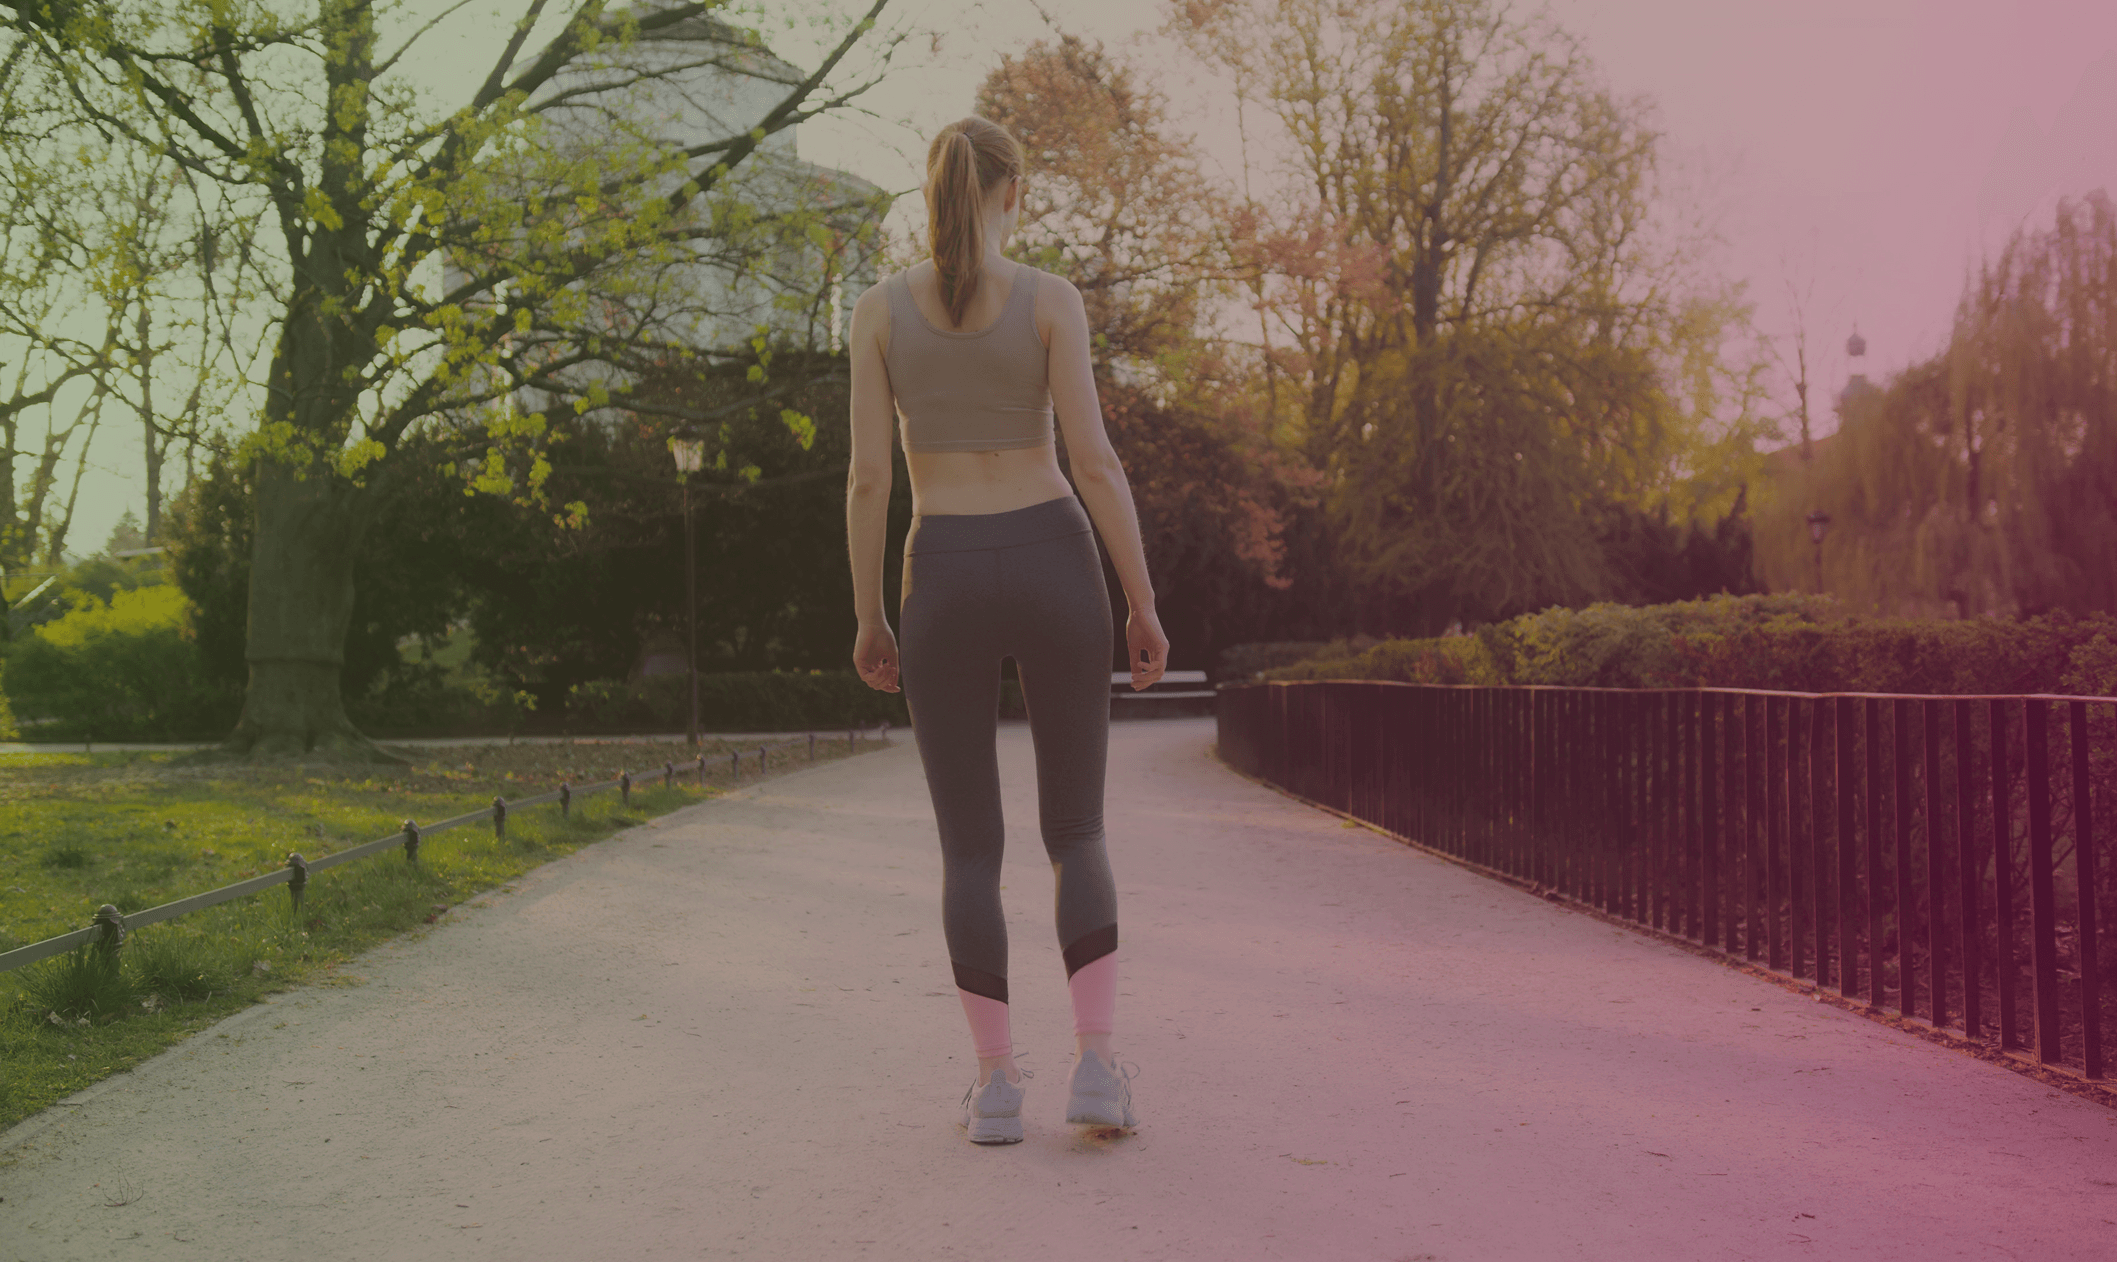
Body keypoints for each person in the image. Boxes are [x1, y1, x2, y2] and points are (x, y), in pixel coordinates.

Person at [844, 115, 1169, 1145]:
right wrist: (1141, 599)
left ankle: (993, 1087)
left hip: (939, 568)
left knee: (968, 850)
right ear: (1012, 192)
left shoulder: (877, 312)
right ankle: (1096, 1067)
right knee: (1075, 829)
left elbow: (866, 477)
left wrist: (868, 611)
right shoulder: (1048, 302)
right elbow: (1096, 461)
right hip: (1052, 560)